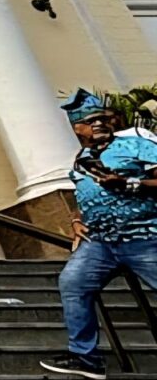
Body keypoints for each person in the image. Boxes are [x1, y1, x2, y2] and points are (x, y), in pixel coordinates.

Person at [40, 89, 157, 380]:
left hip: (145, 237)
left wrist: (131, 184)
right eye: (91, 121)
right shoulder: (82, 159)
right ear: (76, 128)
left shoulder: (135, 145)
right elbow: (85, 194)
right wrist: (77, 219)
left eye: (103, 119)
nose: (99, 125)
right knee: (73, 283)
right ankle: (86, 357)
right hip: (101, 242)